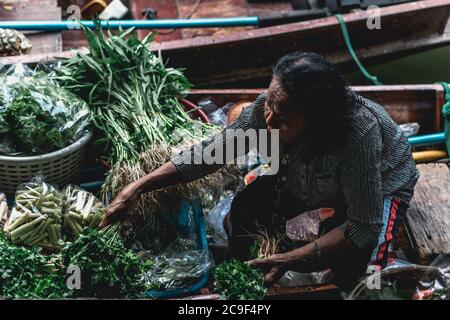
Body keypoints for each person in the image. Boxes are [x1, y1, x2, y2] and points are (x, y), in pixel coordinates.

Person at [100, 52, 419, 291]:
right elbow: (213, 152)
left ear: (315, 122)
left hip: (378, 189)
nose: (268, 121)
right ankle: (253, 273)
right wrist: (139, 186)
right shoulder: (272, 108)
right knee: (246, 209)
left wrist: (289, 259)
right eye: (270, 104)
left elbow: (362, 226)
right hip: (310, 182)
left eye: (282, 118)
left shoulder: (357, 135)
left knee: (357, 270)